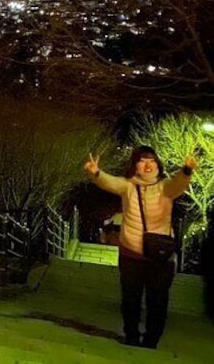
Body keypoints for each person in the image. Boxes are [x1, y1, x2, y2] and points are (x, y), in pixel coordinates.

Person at [84, 146, 196, 349]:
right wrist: (96, 173)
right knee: (130, 299)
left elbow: (179, 184)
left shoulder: (165, 187)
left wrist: (186, 170)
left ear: (158, 164)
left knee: (158, 301)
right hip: (131, 253)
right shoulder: (127, 186)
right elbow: (110, 182)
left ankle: (151, 340)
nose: (147, 164)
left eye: (152, 160)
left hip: (160, 256)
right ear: (135, 165)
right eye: (142, 160)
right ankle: (132, 336)